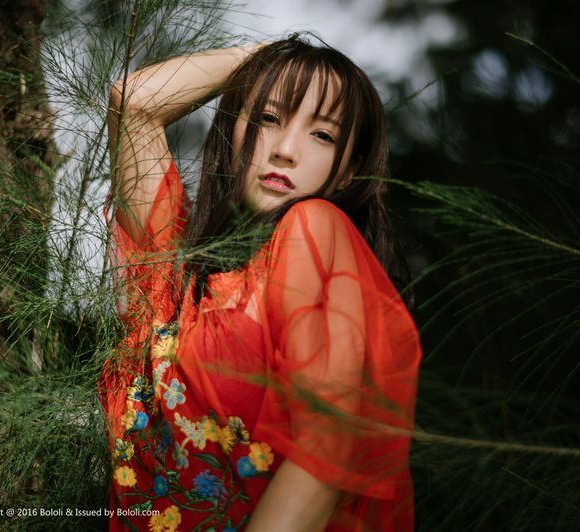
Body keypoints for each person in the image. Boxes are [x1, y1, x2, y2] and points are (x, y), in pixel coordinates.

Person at [99, 35, 422, 532]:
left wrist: (280, 74)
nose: (286, 151)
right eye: (269, 118)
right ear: (234, 131)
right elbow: (134, 101)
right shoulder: (170, 278)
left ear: (348, 172)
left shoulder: (315, 226)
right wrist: (265, 58)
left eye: (323, 135)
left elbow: (327, 445)